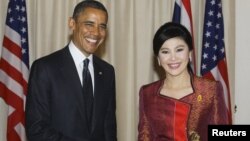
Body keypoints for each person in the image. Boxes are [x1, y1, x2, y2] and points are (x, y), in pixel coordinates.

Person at [25, 1, 117, 141]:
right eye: (89, 24)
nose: (96, 33)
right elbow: (37, 129)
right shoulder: (45, 68)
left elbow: (109, 128)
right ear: (72, 24)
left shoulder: (107, 72)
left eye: (102, 27)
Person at [137, 22, 229, 141]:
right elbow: (145, 136)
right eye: (165, 52)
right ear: (158, 59)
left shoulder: (210, 89)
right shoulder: (147, 93)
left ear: (189, 53)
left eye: (179, 50)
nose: (173, 58)